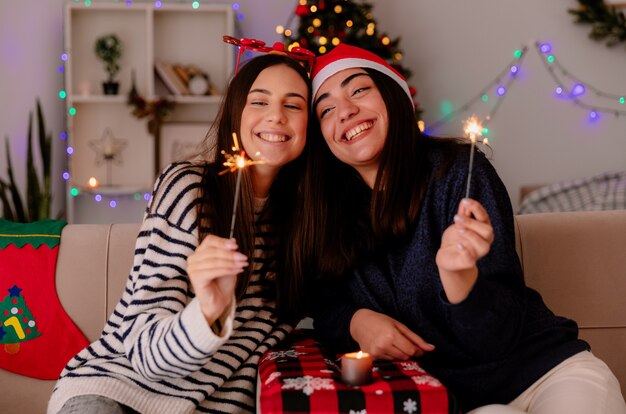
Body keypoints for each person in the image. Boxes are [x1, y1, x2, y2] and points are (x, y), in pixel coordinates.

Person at [303, 44, 626, 414]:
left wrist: (460, 280)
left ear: (392, 95)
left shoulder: (458, 172)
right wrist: (356, 321)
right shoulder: (328, 214)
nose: (345, 111)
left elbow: (496, 337)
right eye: (326, 108)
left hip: (547, 375)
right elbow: (322, 304)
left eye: (358, 89)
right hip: (458, 403)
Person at [48, 52, 312, 414]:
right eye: (259, 101)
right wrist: (207, 313)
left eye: (293, 105)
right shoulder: (188, 189)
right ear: (236, 112)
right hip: (118, 391)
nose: (276, 115)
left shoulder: (309, 222)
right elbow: (145, 356)